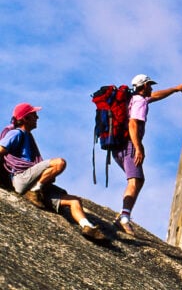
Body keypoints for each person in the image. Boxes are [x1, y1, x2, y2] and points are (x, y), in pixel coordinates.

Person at [0, 102, 107, 242]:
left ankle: (87, 227)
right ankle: (35, 190)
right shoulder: (16, 133)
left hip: (30, 179)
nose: (37, 117)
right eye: (33, 115)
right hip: (22, 178)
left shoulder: (27, 136)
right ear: (25, 119)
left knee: (74, 201)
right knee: (59, 163)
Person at [112, 74, 182, 235]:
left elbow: (155, 95)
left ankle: (124, 214)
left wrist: (175, 89)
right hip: (129, 145)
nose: (152, 88)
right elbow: (133, 124)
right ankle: (124, 217)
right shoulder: (140, 102)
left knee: (137, 180)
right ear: (144, 86)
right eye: (150, 85)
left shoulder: (134, 99)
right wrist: (138, 147)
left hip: (118, 147)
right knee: (135, 180)